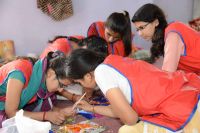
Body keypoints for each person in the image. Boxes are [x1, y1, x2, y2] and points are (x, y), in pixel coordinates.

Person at [65, 49, 200, 132]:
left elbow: (130, 118)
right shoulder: (111, 61)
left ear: (88, 75)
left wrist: (122, 113)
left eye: (79, 82)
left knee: (127, 130)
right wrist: (91, 108)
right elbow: (121, 110)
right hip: (189, 90)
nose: (82, 86)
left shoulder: (101, 73)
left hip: (186, 109)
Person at [0, 52, 75, 127]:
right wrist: (46, 115)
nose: (60, 90)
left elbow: (42, 105)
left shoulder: (40, 77)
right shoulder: (19, 73)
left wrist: (58, 111)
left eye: (64, 87)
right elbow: (11, 113)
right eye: (61, 85)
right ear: (51, 74)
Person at [131, 3, 200, 76]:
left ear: (156, 22)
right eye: (137, 29)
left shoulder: (173, 35)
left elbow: (167, 75)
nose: (140, 34)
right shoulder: (166, 36)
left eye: (142, 28)